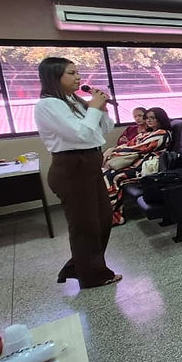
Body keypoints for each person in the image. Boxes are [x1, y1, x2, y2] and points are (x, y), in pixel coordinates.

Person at [33, 57, 121, 288]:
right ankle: (92, 275)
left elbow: (101, 131)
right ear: (55, 77)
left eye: (77, 72)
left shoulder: (72, 100)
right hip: (72, 168)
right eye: (71, 73)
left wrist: (100, 110)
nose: (78, 77)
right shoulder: (48, 105)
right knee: (85, 226)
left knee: (103, 219)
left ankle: (79, 265)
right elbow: (79, 135)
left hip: (89, 164)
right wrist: (92, 107)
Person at [103, 107, 172, 225]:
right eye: (147, 118)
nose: (149, 120)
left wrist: (113, 152)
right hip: (136, 164)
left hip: (147, 168)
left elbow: (139, 148)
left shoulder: (163, 134)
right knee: (105, 172)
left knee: (113, 177)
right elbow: (129, 143)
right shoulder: (148, 133)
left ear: (160, 119)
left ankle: (116, 217)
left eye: (152, 118)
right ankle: (108, 212)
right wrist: (113, 149)